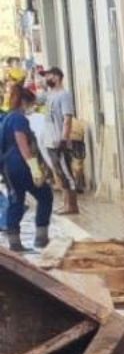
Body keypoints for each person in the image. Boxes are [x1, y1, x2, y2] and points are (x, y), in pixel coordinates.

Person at [1, 86, 53, 252]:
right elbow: (23, 146)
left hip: (9, 167)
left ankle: (15, 243)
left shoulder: (8, 118)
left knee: (16, 200)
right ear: (24, 102)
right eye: (31, 104)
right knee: (44, 195)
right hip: (19, 166)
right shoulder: (19, 119)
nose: (32, 108)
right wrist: (35, 170)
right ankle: (40, 238)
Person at [41, 68, 79, 215]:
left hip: (59, 141)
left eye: (48, 76)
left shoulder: (64, 95)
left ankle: (72, 205)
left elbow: (67, 119)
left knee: (66, 172)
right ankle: (65, 204)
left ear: (57, 77)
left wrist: (64, 138)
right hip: (50, 141)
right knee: (59, 173)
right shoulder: (50, 95)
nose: (46, 78)